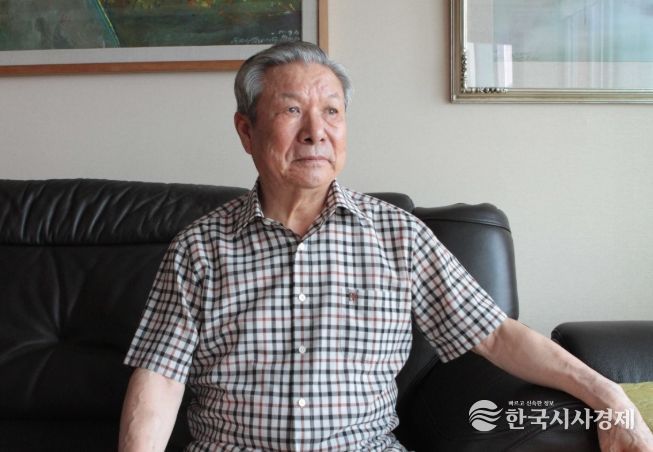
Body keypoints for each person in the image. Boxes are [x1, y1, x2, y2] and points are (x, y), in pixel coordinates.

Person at [119, 41, 653, 452]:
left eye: (332, 111)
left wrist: (610, 398)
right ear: (246, 131)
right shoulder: (200, 247)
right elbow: (160, 378)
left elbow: (496, 335)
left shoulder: (398, 236)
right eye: (291, 110)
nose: (316, 132)